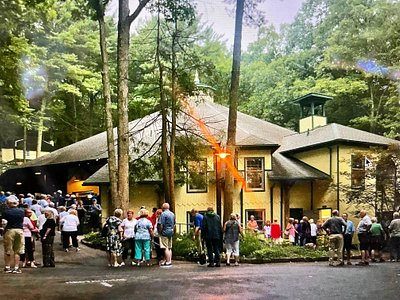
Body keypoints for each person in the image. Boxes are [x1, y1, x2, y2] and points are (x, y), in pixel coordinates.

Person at [1, 197, 25, 273]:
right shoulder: (21, 211)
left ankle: (7, 267)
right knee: (17, 250)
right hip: (20, 230)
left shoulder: (6, 212)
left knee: (8, 250)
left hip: (10, 230)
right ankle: (16, 267)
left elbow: (4, 222)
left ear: (8, 204)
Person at [158, 203, 175, 267]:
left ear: (163, 207)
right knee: (169, 247)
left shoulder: (163, 214)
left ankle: (168, 261)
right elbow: (174, 224)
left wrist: (160, 232)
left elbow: (161, 224)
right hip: (171, 231)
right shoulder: (172, 214)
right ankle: (169, 260)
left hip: (165, 232)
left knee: (165, 247)